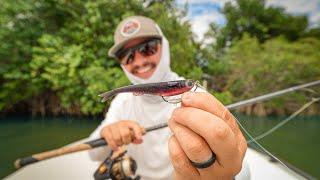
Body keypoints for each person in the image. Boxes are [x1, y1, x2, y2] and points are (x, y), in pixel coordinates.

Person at [88, 16, 250, 180]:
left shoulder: (197, 96)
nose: (139, 60)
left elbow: (237, 165)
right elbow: (92, 152)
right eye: (126, 55)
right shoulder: (122, 101)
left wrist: (226, 173)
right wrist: (107, 133)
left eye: (148, 48)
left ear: (164, 46)